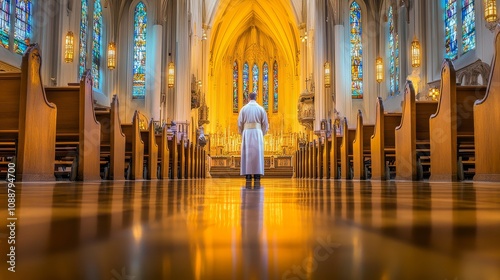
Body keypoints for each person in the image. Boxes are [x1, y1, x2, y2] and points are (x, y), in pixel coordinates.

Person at [238, 92, 269, 182]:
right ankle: (257, 174)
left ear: (248, 98)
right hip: (257, 132)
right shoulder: (261, 109)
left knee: (247, 153)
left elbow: (240, 123)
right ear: (256, 98)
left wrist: (242, 133)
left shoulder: (243, 109)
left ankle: (247, 174)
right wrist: (262, 133)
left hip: (246, 132)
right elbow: (265, 124)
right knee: (257, 153)